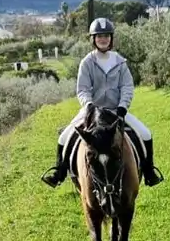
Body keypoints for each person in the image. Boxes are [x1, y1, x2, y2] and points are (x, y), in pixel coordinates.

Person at [42, 17, 163, 188]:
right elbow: (83, 89)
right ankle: (59, 173)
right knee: (64, 137)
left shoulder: (120, 62)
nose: (103, 39)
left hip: (116, 111)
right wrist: (88, 105)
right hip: (92, 111)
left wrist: (123, 106)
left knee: (145, 133)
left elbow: (127, 86)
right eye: (99, 36)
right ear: (93, 39)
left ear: (111, 38)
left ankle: (149, 172)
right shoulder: (87, 62)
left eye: (106, 36)